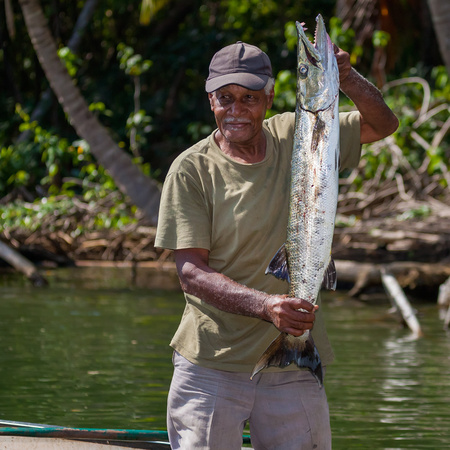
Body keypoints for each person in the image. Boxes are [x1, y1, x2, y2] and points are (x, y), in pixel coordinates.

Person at [155, 38, 398, 450]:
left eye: (249, 98)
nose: (236, 110)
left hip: (294, 364)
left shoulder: (299, 132)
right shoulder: (191, 169)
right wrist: (267, 307)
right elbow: (191, 273)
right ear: (210, 100)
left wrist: (347, 75)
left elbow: (383, 125)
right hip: (212, 362)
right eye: (225, 98)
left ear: (269, 97)